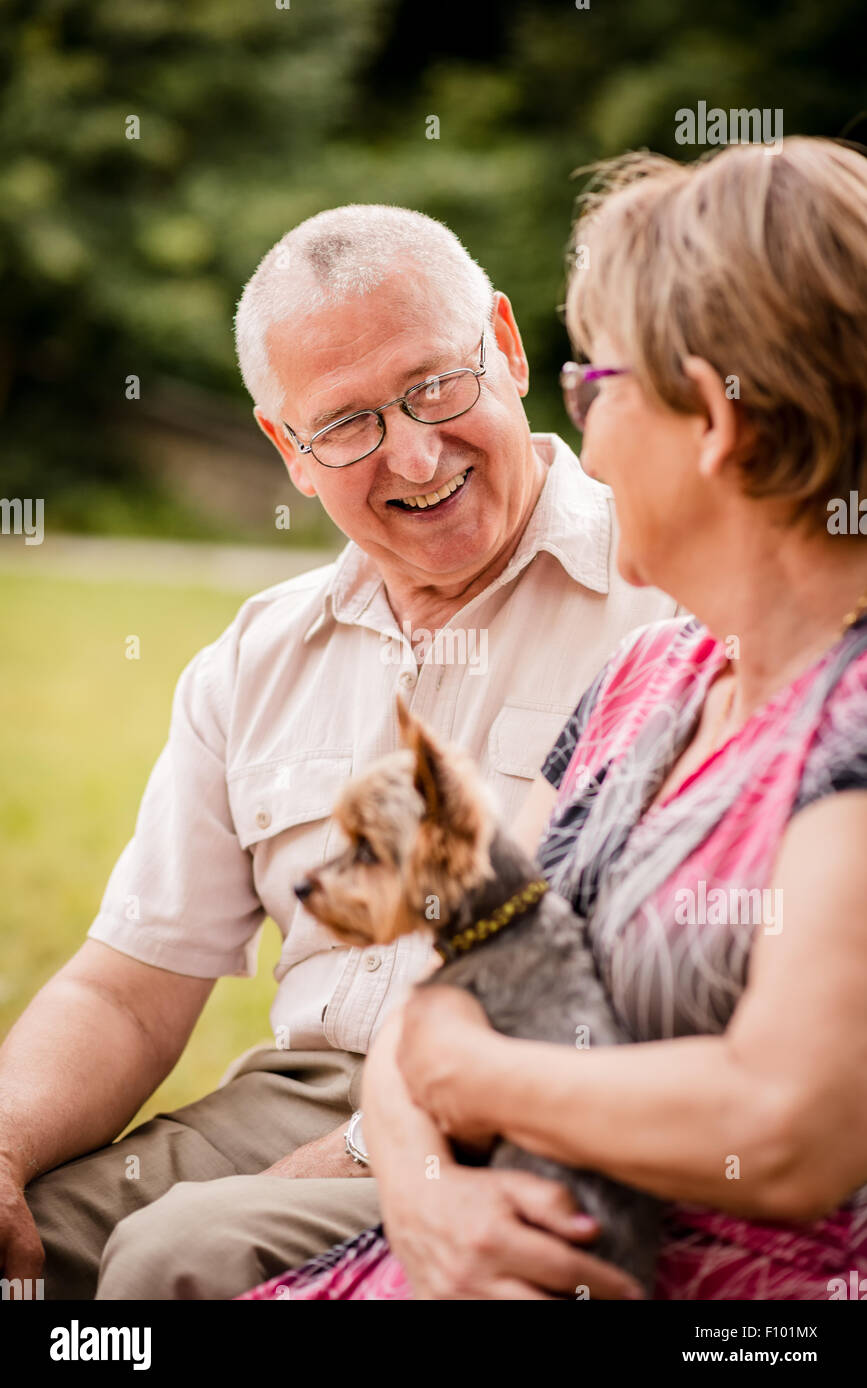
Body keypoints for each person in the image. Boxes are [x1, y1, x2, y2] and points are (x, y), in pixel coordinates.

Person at [0, 204, 675, 1300]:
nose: (415, 452)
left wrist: (376, 1142)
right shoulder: (257, 655)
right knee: (41, 1248)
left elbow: (664, 1001)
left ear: (505, 346)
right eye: (349, 424)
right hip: (293, 1094)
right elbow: (127, 991)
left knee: (172, 1262)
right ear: (290, 451)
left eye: (435, 386)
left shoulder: (667, 600)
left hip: (527, 1113)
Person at [241, 137, 867, 1301]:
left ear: (715, 423)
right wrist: (429, 1195)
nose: (573, 428)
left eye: (595, 387)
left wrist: (468, 1080)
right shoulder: (647, 677)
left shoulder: (852, 722)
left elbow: (785, 1126)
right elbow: (444, 995)